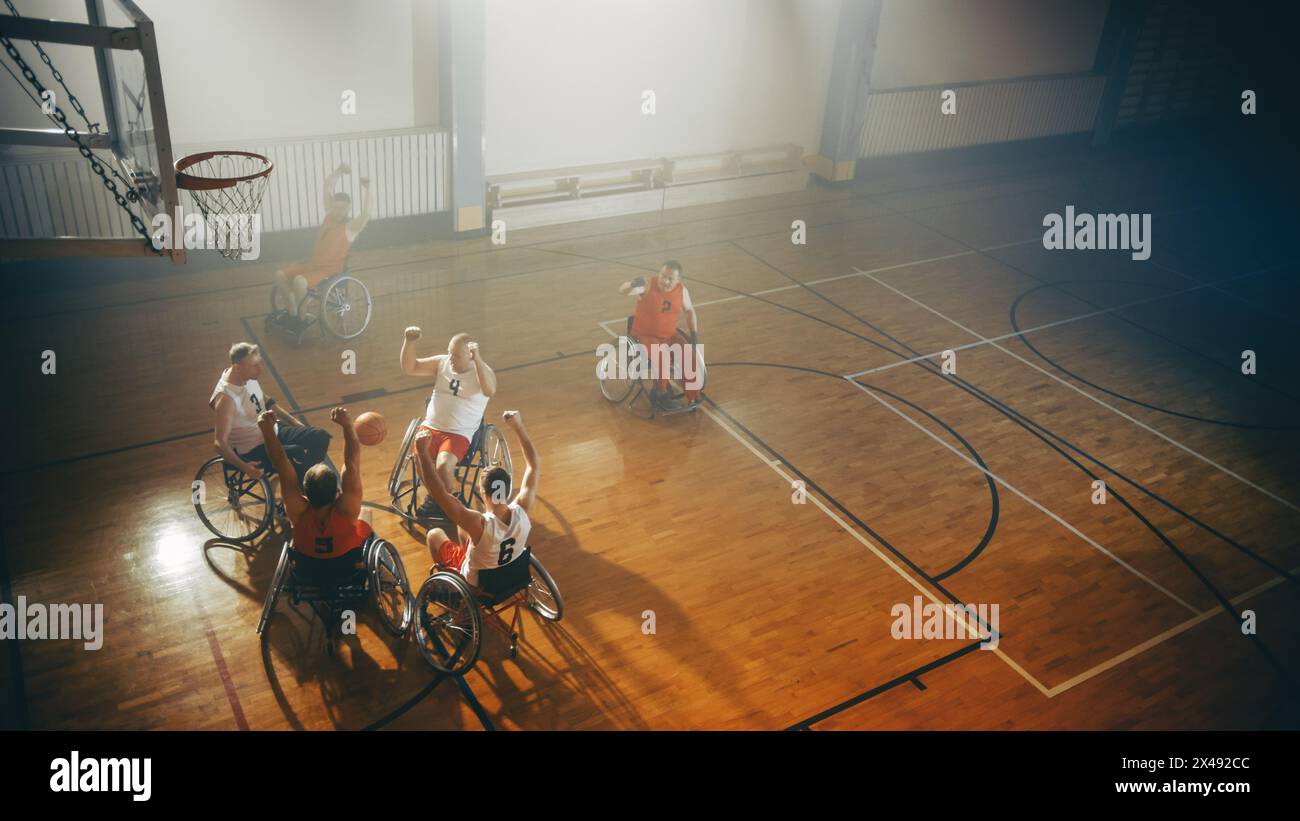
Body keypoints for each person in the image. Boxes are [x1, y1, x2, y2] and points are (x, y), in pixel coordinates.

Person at [414, 410, 538, 589]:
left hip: (479, 586)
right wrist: (518, 427)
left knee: (434, 535)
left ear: (483, 492)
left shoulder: (477, 522)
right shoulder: (522, 507)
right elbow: (533, 465)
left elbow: (438, 493)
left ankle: (448, 587)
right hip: (512, 575)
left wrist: (423, 454)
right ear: (507, 488)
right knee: (461, 526)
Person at [400, 327, 498, 519]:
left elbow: (490, 390)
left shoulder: (482, 371)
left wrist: (477, 360)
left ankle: (444, 501)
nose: (450, 358)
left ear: (470, 355)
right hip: (430, 426)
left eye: (456, 355)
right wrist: (409, 341)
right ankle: (438, 499)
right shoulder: (443, 362)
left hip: (458, 433)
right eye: (449, 352)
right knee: (421, 458)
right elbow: (410, 367)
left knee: (443, 466)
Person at [255, 406, 372, 565]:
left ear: (306, 494)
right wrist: (348, 425)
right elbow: (352, 464)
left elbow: (281, 464)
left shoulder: (297, 510)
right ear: (337, 492)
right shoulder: (347, 510)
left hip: (307, 569)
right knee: (365, 513)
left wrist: (267, 431)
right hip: (346, 568)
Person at [270, 163, 374, 329]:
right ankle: (292, 312)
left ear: (348, 209)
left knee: (299, 281)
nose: (338, 211)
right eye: (336, 207)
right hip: (312, 265)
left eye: (342, 208)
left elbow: (366, 214)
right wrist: (339, 171)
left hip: (329, 271)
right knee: (279, 275)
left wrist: (367, 188)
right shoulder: (329, 216)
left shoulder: (350, 227)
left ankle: (300, 321)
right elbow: (327, 186)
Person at [210, 342, 330, 482]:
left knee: (320, 436)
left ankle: (305, 483)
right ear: (237, 367)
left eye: (259, 363)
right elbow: (219, 443)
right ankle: (307, 486)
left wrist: (294, 422)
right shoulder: (226, 398)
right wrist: (245, 467)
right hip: (254, 448)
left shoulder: (244, 377)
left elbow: (265, 400)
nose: (260, 369)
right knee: (296, 452)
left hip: (273, 430)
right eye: (254, 366)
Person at [617, 259, 701, 404]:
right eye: (663, 276)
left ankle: (693, 394)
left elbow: (689, 311)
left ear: (678, 280)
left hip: (669, 335)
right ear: (659, 274)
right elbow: (622, 291)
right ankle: (660, 393)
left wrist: (694, 333)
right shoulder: (648, 285)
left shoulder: (682, 291)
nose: (665, 281)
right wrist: (631, 284)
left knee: (689, 355)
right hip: (645, 335)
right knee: (662, 356)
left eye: (670, 279)